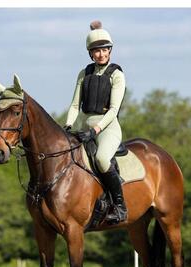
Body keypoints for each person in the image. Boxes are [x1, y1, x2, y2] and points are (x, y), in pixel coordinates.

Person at [64, 20, 127, 224]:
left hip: (107, 127)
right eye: (96, 51)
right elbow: (75, 105)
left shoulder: (116, 75)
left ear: (110, 51)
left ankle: (119, 207)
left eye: (104, 50)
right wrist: (68, 126)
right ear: (91, 53)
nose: (101, 54)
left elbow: (115, 110)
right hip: (84, 122)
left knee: (100, 159)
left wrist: (95, 130)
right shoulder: (84, 73)